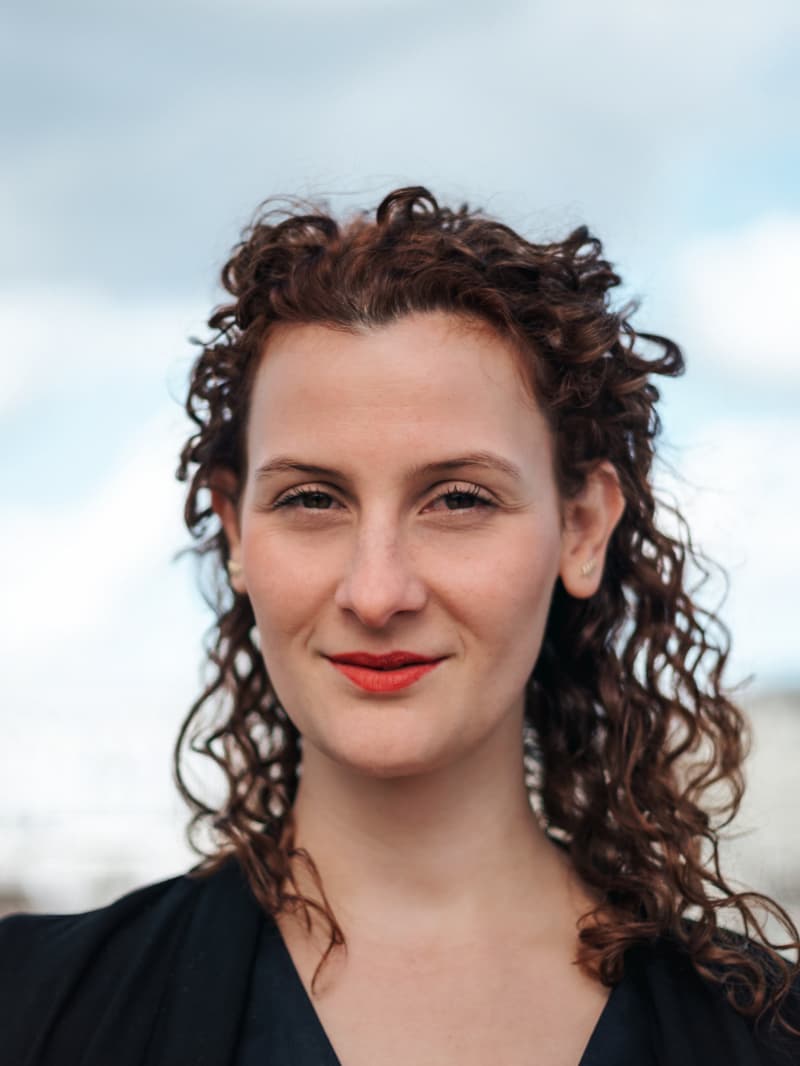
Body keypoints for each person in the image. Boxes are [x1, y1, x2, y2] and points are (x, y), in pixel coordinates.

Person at [1, 186, 798, 1065]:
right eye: (312, 499)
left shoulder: (770, 1037)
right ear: (233, 533)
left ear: (581, 529)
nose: (377, 593)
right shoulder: (28, 1006)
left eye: (458, 499)